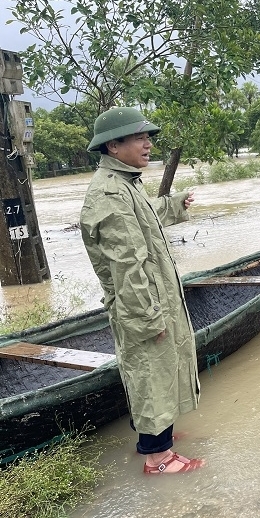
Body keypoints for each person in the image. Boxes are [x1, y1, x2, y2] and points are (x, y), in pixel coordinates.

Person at [80, 107, 204, 473]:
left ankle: (155, 437)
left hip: (152, 299)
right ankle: (158, 458)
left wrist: (176, 204)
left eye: (148, 136)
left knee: (157, 373)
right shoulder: (110, 195)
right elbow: (126, 268)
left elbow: (147, 217)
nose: (148, 143)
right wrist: (149, 317)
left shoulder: (124, 184)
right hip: (142, 305)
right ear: (113, 146)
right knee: (151, 373)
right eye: (140, 137)